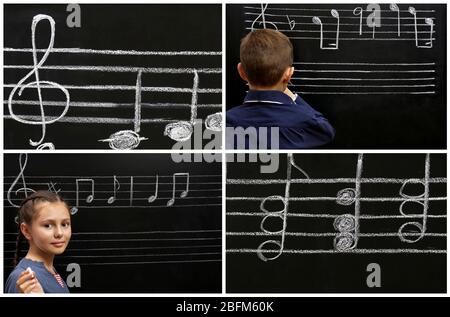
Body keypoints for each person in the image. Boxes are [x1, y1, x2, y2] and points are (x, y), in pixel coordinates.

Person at [226, 29, 335, 149]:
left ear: (241, 71)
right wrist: (290, 92)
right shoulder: (308, 125)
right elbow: (325, 130)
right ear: (289, 74)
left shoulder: (225, 123)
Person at [5, 191, 72, 293]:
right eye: (47, 225)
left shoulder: (49, 269)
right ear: (26, 230)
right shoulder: (24, 280)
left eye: (65, 224)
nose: (59, 233)